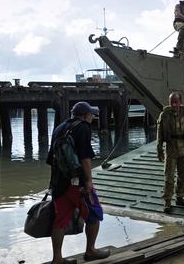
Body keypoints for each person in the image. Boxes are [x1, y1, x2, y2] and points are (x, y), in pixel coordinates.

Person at [46, 101, 110, 264]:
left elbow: (50, 159)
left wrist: (54, 183)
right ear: (85, 115)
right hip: (77, 184)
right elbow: (85, 158)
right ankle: (90, 251)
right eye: (91, 114)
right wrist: (88, 181)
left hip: (59, 183)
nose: (93, 117)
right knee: (95, 213)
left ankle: (57, 259)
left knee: (60, 219)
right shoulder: (83, 128)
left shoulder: (60, 128)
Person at [156, 92, 184, 213]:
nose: (174, 104)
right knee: (169, 176)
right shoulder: (164, 115)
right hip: (171, 148)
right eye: (171, 102)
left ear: (180, 102)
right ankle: (167, 201)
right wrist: (159, 150)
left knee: (183, 175)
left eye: (176, 102)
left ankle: (180, 197)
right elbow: (159, 134)